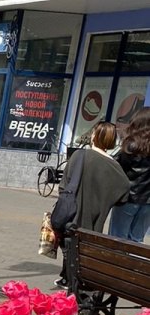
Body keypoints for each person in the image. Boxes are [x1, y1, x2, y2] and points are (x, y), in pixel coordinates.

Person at [52, 125, 130, 303]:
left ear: (95, 135)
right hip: (94, 230)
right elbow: (124, 193)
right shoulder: (115, 167)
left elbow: (64, 186)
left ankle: (72, 298)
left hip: (70, 222)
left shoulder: (80, 156)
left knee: (71, 259)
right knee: (85, 262)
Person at [109, 107, 150, 243]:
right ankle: (130, 264)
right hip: (148, 202)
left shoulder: (130, 145)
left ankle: (114, 263)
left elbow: (114, 168)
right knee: (137, 241)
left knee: (117, 238)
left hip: (127, 198)